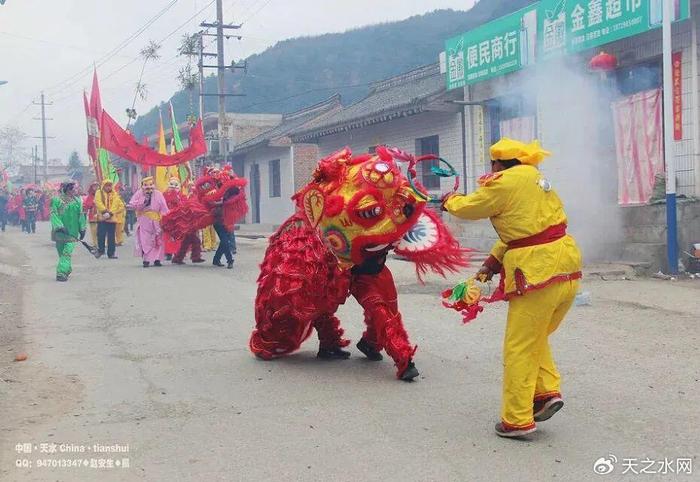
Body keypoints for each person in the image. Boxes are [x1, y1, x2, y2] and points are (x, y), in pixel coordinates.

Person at [442, 138, 582, 438]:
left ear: (497, 164)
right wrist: (491, 264)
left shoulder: (503, 182)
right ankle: (545, 393)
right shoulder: (534, 177)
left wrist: (448, 201)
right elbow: (522, 231)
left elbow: (469, 207)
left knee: (518, 347)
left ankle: (517, 419)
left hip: (537, 272)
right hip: (567, 268)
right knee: (536, 335)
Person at [128, 177, 169, 268]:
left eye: (151, 185)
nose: (149, 188)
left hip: (156, 220)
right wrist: (144, 200)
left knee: (158, 239)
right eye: (146, 186)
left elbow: (164, 207)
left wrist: (164, 217)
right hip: (144, 219)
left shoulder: (158, 194)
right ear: (142, 186)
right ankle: (146, 260)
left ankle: (157, 259)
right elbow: (133, 204)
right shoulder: (139, 193)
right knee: (145, 240)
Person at [50, 181, 87, 282]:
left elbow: (80, 215)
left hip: (72, 233)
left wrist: (82, 228)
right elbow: (53, 214)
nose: (75, 190)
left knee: (67, 252)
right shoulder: (56, 200)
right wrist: (59, 226)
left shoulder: (78, 201)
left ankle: (61, 273)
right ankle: (67, 268)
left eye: (75, 188)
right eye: (73, 189)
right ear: (67, 189)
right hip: (59, 232)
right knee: (62, 253)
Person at [94, 179, 125, 259]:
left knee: (111, 237)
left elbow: (116, 204)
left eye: (110, 185)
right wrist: (104, 211)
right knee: (101, 235)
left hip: (112, 219)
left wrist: (110, 213)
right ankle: (101, 250)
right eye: (107, 185)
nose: (108, 187)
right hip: (102, 218)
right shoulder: (99, 193)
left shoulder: (115, 194)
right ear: (103, 186)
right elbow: (98, 202)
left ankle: (111, 253)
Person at [162, 177, 183, 261]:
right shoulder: (164, 194)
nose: (173, 186)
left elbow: (182, 205)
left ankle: (177, 252)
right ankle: (168, 252)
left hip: (177, 218)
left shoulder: (181, 195)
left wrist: (177, 198)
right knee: (167, 235)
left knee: (177, 236)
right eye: (171, 184)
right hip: (167, 217)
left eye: (176, 185)